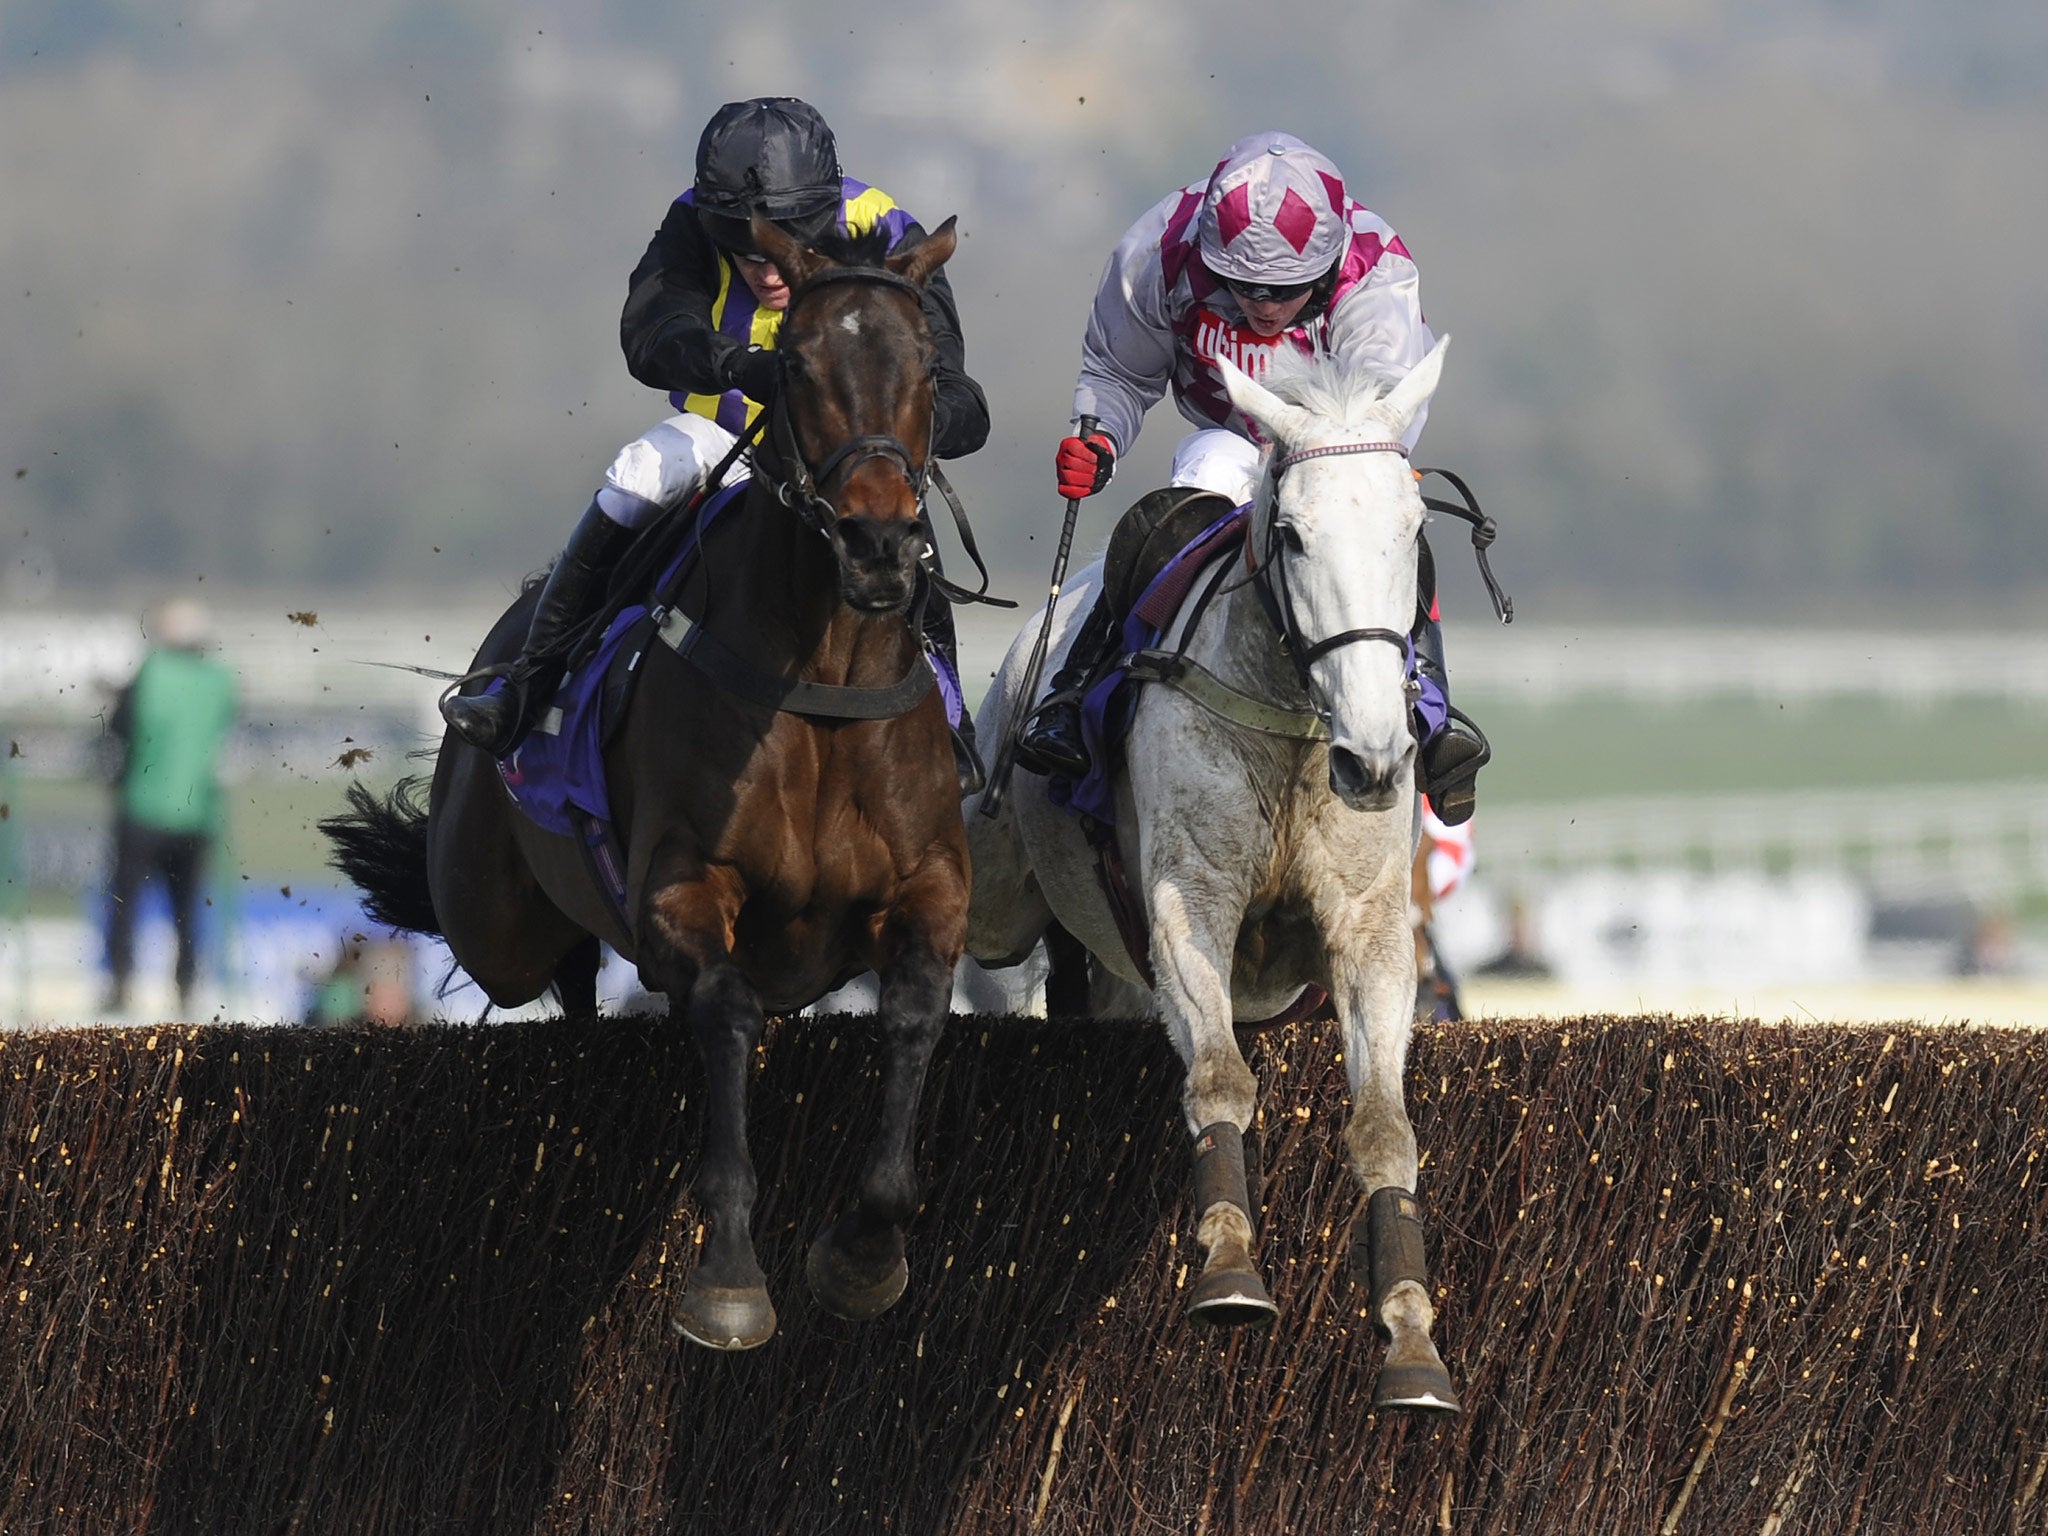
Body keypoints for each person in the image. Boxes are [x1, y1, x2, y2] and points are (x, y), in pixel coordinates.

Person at [441, 97, 992, 787]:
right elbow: (650, 332)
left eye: (783, 241)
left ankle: (950, 723)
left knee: (901, 523)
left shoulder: (884, 224)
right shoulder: (691, 219)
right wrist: (742, 369)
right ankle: (525, 685)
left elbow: (948, 378)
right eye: (747, 246)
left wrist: (918, 420)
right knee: (636, 473)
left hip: (834, 452)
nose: (764, 269)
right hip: (718, 433)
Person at [1013, 131, 1490, 823]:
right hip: (1229, 437)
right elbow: (1119, 369)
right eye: (1244, 286)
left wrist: (1321, 466)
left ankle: (1433, 711)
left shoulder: (1376, 272)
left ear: (1325, 268)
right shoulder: (1157, 252)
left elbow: (1381, 407)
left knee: (1383, 519)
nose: (1264, 305)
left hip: (1338, 448)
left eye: (1287, 289)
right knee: (1202, 469)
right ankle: (1078, 686)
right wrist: (1103, 438)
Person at [102, 597, 238, 1015]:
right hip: (198, 814)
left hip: (143, 807)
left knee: (125, 902)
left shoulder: (151, 672)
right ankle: (185, 989)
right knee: (187, 909)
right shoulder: (221, 681)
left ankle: (121, 983)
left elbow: (120, 727)